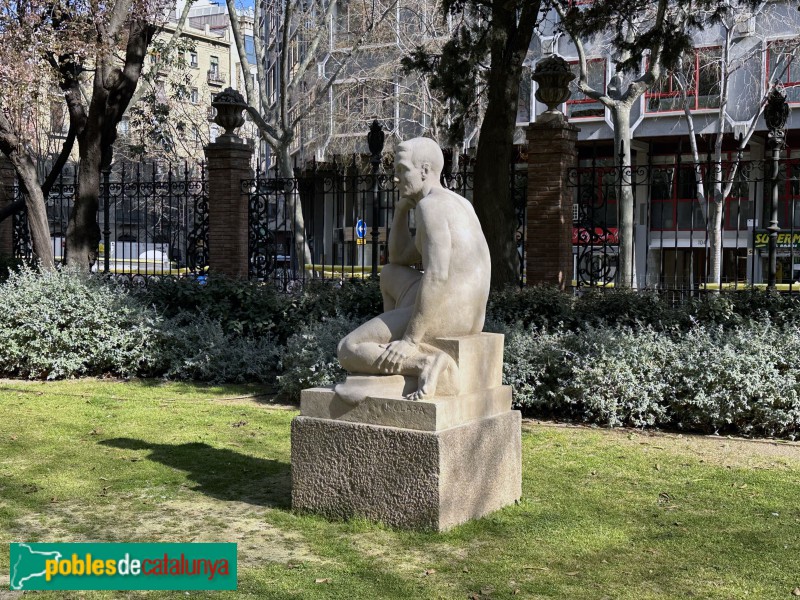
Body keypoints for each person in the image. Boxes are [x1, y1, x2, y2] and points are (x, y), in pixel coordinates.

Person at [335, 137, 491, 404]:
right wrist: (400, 211)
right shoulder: (456, 202)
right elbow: (399, 257)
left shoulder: (431, 208)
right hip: (467, 313)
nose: (396, 178)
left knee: (349, 349)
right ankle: (391, 359)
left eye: (401, 169)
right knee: (389, 274)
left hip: (449, 312)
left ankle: (423, 362)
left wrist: (410, 339)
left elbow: (437, 275)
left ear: (424, 169)